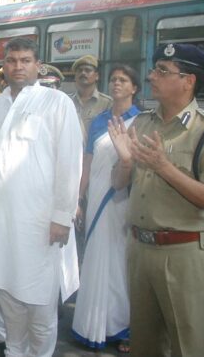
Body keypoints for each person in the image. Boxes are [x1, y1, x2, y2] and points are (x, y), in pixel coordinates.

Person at [0, 37, 82, 357]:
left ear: (37, 65)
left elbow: (70, 164)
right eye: (12, 60)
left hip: (39, 223)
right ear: (4, 65)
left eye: (25, 60)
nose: (18, 66)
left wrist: (61, 216)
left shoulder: (56, 103)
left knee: (39, 306)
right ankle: (15, 351)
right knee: (7, 296)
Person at [108, 43, 204, 357]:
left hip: (183, 253)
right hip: (140, 249)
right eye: (155, 68)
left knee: (188, 346)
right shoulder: (143, 123)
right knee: (144, 347)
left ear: (188, 80)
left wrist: (164, 166)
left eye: (163, 71)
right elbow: (119, 184)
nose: (151, 76)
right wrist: (125, 162)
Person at [71, 65, 141, 353]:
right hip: (98, 195)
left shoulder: (142, 121)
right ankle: (91, 324)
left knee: (121, 264)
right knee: (97, 257)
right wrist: (79, 198)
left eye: (123, 80)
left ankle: (122, 326)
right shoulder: (99, 120)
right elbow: (87, 164)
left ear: (134, 88)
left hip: (123, 199)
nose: (116, 84)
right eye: (113, 80)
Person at [69, 55, 112, 140]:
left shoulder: (108, 103)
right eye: (79, 71)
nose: (83, 73)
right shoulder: (67, 101)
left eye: (87, 70)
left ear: (97, 76)